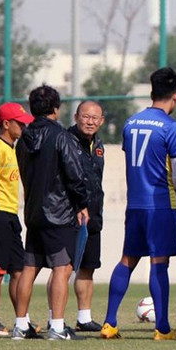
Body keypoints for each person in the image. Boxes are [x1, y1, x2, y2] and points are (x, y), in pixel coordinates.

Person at [100, 68, 176, 341]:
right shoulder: (172, 128)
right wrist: (175, 194)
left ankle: (109, 322)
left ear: (151, 93)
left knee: (127, 259)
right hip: (159, 203)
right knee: (159, 263)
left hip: (134, 203)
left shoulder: (130, 123)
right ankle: (161, 327)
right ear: (175, 97)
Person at [13, 85, 90, 341]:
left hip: (34, 212)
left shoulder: (22, 139)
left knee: (29, 267)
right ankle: (57, 326)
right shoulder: (61, 136)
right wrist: (82, 203)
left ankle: (20, 325)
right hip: (58, 213)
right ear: (56, 109)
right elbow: (74, 174)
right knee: (62, 267)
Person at [0, 102, 34, 335]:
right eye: (20, 123)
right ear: (6, 124)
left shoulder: (14, 148)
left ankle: (22, 320)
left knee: (19, 270)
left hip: (11, 214)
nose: (24, 126)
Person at [68, 100, 106, 332]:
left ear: (101, 121)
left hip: (93, 215)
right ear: (76, 117)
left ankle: (84, 317)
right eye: (86, 116)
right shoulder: (66, 141)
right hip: (70, 216)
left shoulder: (98, 145)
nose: (90, 122)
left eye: (95, 118)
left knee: (87, 267)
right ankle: (56, 317)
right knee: (62, 269)